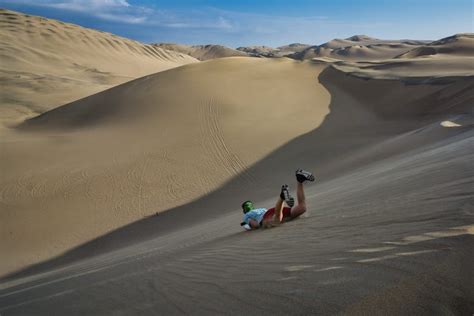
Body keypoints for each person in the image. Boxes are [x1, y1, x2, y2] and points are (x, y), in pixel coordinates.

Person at [240, 169, 315, 230]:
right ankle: (300, 180)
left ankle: (282, 197)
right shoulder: (260, 209)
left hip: (268, 216)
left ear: (245, 210)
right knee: (302, 208)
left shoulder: (246, 216)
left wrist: (251, 226)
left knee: (276, 221)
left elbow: (255, 225)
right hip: (273, 210)